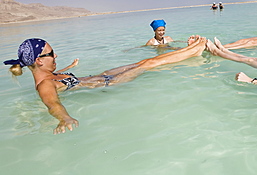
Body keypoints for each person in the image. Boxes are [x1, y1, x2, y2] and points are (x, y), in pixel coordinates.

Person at [4, 36, 207, 134]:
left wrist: (71, 67)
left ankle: (190, 50)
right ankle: (194, 51)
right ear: (39, 60)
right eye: (51, 54)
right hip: (109, 83)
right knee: (148, 64)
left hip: (102, 76)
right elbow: (53, 104)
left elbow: (57, 78)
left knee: (141, 63)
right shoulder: (44, 86)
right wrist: (64, 118)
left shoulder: (48, 75)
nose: (55, 55)